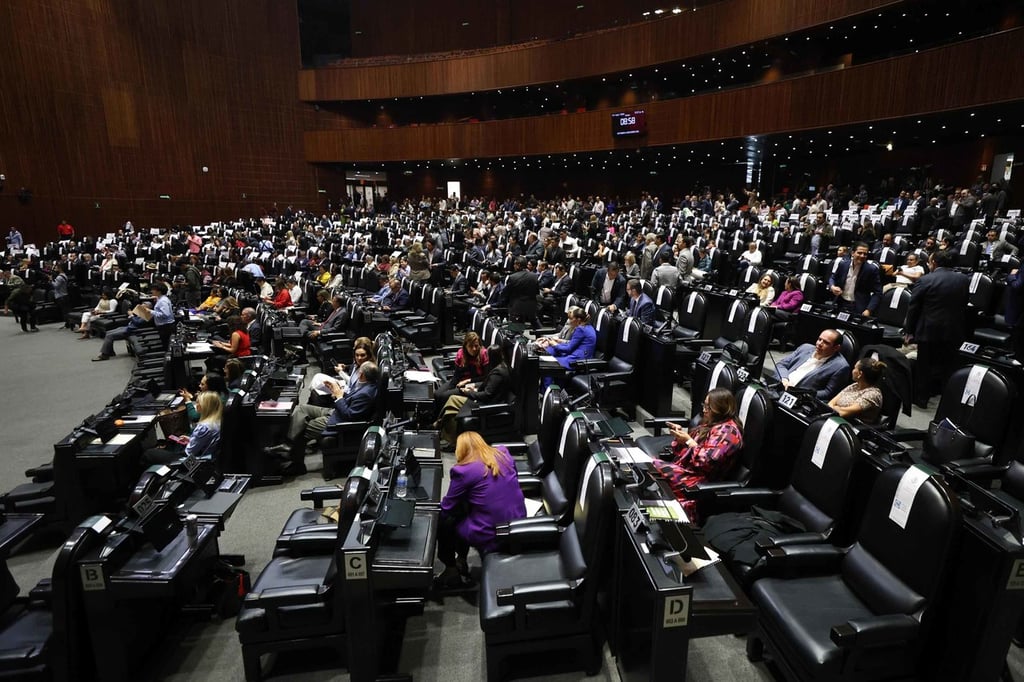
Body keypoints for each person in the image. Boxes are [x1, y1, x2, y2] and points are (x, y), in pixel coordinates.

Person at [434, 431, 527, 589]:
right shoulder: (503, 452)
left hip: (491, 532)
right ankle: (461, 561)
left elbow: (447, 507)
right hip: (518, 520)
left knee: (444, 522)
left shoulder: (463, 471)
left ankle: (452, 569)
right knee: (465, 505)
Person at [267, 362, 381, 474]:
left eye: (359, 372)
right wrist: (338, 392)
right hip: (335, 412)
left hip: (340, 422)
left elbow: (350, 415)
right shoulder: (366, 385)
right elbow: (351, 401)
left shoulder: (366, 393)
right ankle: (287, 444)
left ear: (362, 375)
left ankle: (297, 465)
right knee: (302, 409)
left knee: (303, 427)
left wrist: (339, 397)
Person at [649, 388, 744, 522]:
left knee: (650, 468)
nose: (704, 410)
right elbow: (681, 451)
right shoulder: (710, 422)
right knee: (647, 468)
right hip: (686, 469)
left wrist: (688, 441)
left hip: (699, 480)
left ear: (722, 409)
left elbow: (707, 462)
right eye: (704, 405)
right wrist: (680, 436)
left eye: (709, 407)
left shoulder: (728, 432)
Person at [904, 249, 969, 408]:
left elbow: (913, 308)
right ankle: (945, 401)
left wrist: (909, 331)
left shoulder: (926, 280)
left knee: (924, 367)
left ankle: (921, 399)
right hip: (953, 330)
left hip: (929, 330)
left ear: (933, 263)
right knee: (947, 366)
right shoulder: (963, 279)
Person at [435, 344, 511, 446]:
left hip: (485, 406)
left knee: (452, 408)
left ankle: (451, 440)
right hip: (483, 399)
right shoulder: (499, 367)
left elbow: (486, 395)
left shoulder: (497, 373)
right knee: (452, 399)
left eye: (488, 356)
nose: (487, 359)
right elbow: (488, 387)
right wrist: (474, 387)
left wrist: (469, 392)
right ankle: (440, 425)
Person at [143, 390, 222, 466]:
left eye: (198, 402)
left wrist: (191, 442)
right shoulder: (218, 421)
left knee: (149, 453)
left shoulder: (203, 427)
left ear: (204, 406)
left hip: (193, 462)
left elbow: (189, 452)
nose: (196, 405)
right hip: (210, 457)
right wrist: (190, 439)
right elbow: (205, 441)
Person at [773, 328, 850, 401]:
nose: (819, 343)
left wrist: (800, 393)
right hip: (779, 386)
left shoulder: (841, 366)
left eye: (826, 342)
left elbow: (828, 393)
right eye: (819, 339)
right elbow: (781, 365)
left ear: (836, 348)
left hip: (799, 399)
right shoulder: (805, 348)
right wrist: (784, 379)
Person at [433, 332, 489, 411]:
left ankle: (441, 420)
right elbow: (456, 376)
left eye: (476, 346)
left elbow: (486, 377)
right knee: (437, 394)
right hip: (460, 381)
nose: (474, 349)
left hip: (473, 385)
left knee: (444, 397)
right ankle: (436, 417)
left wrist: (467, 381)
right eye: (470, 346)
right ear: (465, 346)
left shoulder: (483, 354)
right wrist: (451, 387)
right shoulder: (461, 354)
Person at [828, 242, 882, 316]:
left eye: (865, 254)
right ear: (853, 253)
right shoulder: (843, 264)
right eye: (859, 253)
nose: (862, 256)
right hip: (840, 303)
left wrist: (869, 310)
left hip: (858, 308)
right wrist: (832, 286)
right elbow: (833, 277)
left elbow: (878, 292)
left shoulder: (871, 270)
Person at [828, 357, 886, 424]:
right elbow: (830, 403)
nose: (852, 370)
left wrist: (836, 408)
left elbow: (844, 413)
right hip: (835, 420)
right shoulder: (854, 386)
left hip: (853, 428)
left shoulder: (873, 394)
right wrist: (835, 408)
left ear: (860, 374)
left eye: (855, 368)